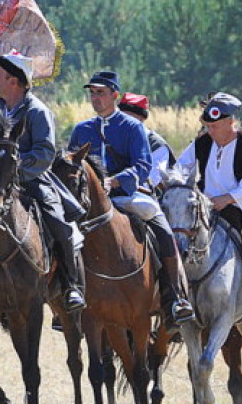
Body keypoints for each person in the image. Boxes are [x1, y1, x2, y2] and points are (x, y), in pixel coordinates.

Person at [0, 51, 86, 324]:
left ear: (13, 81)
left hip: (32, 181)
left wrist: (13, 171)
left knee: (60, 225)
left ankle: (71, 285)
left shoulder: (38, 111)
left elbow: (45, 152)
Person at [69, 72, 194, 326]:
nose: (95, 98)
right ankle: (67, 293)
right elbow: (71, 162)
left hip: (127, 196)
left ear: (114, 95)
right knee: (59, 229)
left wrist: (113, 181)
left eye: (101, 93)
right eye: (92, 93)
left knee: (162, 228)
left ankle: (175, 297)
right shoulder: (82, 130)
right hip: (87, 202)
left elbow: (142, 165)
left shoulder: (133, 127)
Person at [174, 93, 242, 321]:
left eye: (215, 126)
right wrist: (175, 184)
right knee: (178, 238)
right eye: (208, 126)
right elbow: (181, 167)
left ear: (230, 122)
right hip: (206, 209)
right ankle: (174, 298)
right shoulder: (202, 143)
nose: (210, 131)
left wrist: (229, 198)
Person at [116, 91, 175, 193]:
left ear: (141, 118)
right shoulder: (112, 139)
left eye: (129, 117)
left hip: (146, 195)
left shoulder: (156, 145)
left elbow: (154, 180)